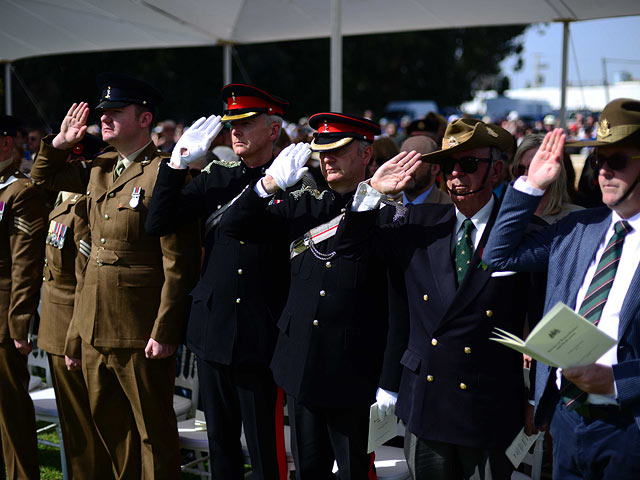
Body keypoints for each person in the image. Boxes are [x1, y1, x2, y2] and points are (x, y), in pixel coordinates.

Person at [336, 118, 542, 479]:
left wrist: (534, 397)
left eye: (468, 164)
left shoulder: (524, 233)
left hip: (489, 405)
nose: (456, 174)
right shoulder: (418, 221)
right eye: (447, 165)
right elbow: (352, 248)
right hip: (428, 402)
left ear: (496, 170)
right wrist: (371, 192)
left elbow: (540, 320)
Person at [218, 112, 407, 479]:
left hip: (353, 373)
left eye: (337, 151)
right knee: (308, 471)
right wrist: (267, 185)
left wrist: (388, 379)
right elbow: (233, 226)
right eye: (322, 151)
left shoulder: (389, 216)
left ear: (366, 155)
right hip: (299, 365)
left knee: (354, 472)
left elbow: (397, 306)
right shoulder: (304, 201)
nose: (326, 159)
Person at [31, 73, 200, 479]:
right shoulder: (100, 168)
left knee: (152, 435)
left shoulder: (166, 173)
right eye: (102, 113)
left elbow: (178, 263)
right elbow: (43, 180)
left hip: (139, 330)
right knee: (111, 430)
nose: (104, 119)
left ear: (145, 120)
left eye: (115, 112)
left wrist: (165, 329)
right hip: (92, 327)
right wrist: (59, 144)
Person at [483, 98, 640, 479]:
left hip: (629, 429)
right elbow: (498, 255)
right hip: (567, 421)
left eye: (617, 160)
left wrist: (619, 381)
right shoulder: (579, 228)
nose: (603, 171)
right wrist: (531, 185)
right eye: (598, 159)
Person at [145, 83, 292, 480]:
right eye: (231, 125)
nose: (236, 132)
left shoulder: (293, 180)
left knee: (265, 452)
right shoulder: (216, 177)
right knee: (222, 451)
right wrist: (175, 166)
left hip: (262, 335)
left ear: (273, 130)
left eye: (246, 123)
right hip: (213, 330)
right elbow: (157, 222)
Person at [37, 133, 113, 479]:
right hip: (55, 326)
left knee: (86, 431)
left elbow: (85, 279)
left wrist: (74, 340)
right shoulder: (64, 198)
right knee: (73, 428)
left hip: (74, 329)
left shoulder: (83, 206)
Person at [0, 114, 47, 480]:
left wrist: (18, 324)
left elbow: (25, 265)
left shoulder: (20, 191)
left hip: (2, 319)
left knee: (10, 410)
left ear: (4, 144)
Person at [510, 133, 582, 224]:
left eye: (535, 168)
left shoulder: (578, 219)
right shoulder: (506, 216)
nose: (526, 175)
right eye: (520, 169)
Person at [399, 135, 450, 206]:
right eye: (402, 162)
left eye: (413, 163)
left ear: (434, 168)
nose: (406, 169)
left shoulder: (449, 208)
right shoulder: (387, 205)